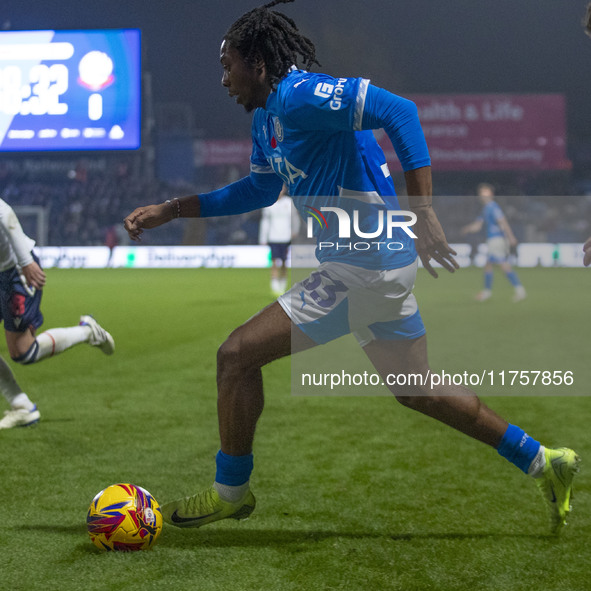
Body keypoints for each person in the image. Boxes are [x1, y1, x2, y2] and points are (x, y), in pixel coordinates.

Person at [124, 0, 579, 534]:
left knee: (235, 357)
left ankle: (231, 492)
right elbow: (260, 187)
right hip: (374, 267)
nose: (223, 80)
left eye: (229, 66)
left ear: (260, 64)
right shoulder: (268, 118)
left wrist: (424, 211)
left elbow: (401, 112)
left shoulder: (298, 96)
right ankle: (544, 460)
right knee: (417, 389)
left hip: (363, 267)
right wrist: (174, 210)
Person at [0, 198, 114, 430]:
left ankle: (87, 332)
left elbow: (5, 213)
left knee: (23, 352)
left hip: (16, 272)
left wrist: (26, 261)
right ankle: (22, 408)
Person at [461, 183, 526, 302]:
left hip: (496, 239)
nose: (482, 196)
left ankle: (519, 290)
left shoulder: (493, 207)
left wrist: (511, 237)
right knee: (489, 265)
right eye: (481, 193)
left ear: (491, 194)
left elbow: (502, 221)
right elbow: (478, 225)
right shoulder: (486, 209)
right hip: (492, 240)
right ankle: (487, 292)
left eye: (485, 193)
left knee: (502, 265)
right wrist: (467, 228)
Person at [258, 184, 300, 295]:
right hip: (273, 237)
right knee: (274, 262)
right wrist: (263, 237)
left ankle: (283, 283)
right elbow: (265, 222)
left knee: (284, 262)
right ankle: (274, 286)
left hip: (286, 237)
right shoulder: (268, 204)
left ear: (284, 190)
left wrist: (295, 230)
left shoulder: (289, 202)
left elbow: (294, 218)